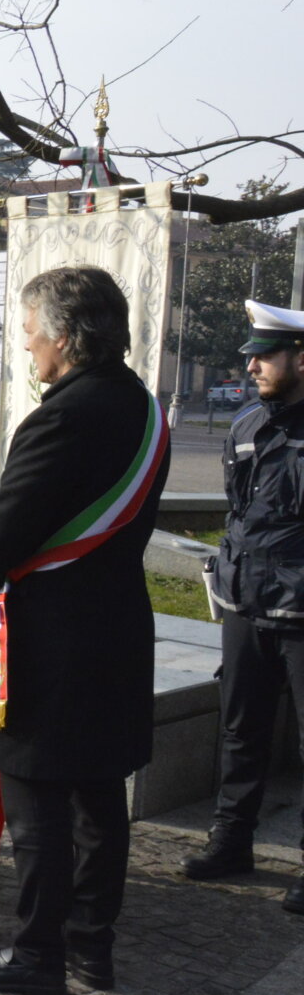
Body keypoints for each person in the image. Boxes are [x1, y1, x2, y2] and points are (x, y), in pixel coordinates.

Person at [0, 265, 169, 995]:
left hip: (53, 639)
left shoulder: (66, 414)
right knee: (101, 798)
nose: (28, 346)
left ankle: (39, 954)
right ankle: (90, 949)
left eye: (32, 332)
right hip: (117, 627)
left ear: (65, 337)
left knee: (37, 797)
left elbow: (7, 520)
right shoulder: (141, 405)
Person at [182, 299, 304, 913]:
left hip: (303, 614)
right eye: (251, 356)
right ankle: (232, 842)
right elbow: (240, 510)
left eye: (265, 355)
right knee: (240, 728)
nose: (251, 365)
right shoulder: (248, 425)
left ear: (301, 359)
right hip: (246, 602)